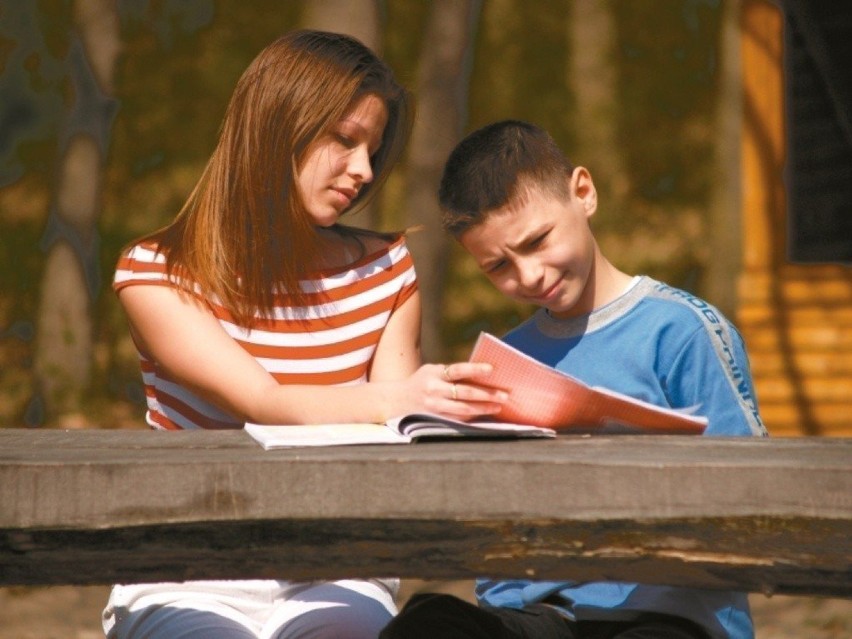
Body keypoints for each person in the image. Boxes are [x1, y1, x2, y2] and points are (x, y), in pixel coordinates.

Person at [102, 30, 506, 639]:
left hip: (338, 564)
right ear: (276, 126)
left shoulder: (386, 270)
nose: (363, 171)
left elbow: (397, 438)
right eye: (343, 140)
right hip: (187, 566)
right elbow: (264, 402)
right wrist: (400, 398)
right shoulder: (157, 273)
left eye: (372, 149)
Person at [379, 120, 768, 639]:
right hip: (539, 615)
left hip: (665, 613)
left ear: (583, 193)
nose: (529, 276)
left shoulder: (680, 331)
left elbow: (754, 497)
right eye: (498, 267)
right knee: (426, 625)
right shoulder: (505, 359)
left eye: (538, 241)